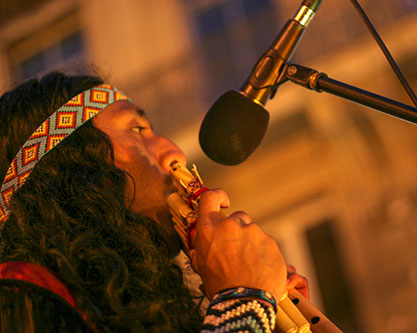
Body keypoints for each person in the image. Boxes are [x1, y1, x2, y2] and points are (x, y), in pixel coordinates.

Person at [0, 72, 307, 332]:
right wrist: (244, 301)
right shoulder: (20, 295)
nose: (175, 152)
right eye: (137, 130)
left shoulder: (150, 307)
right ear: (71, 166)